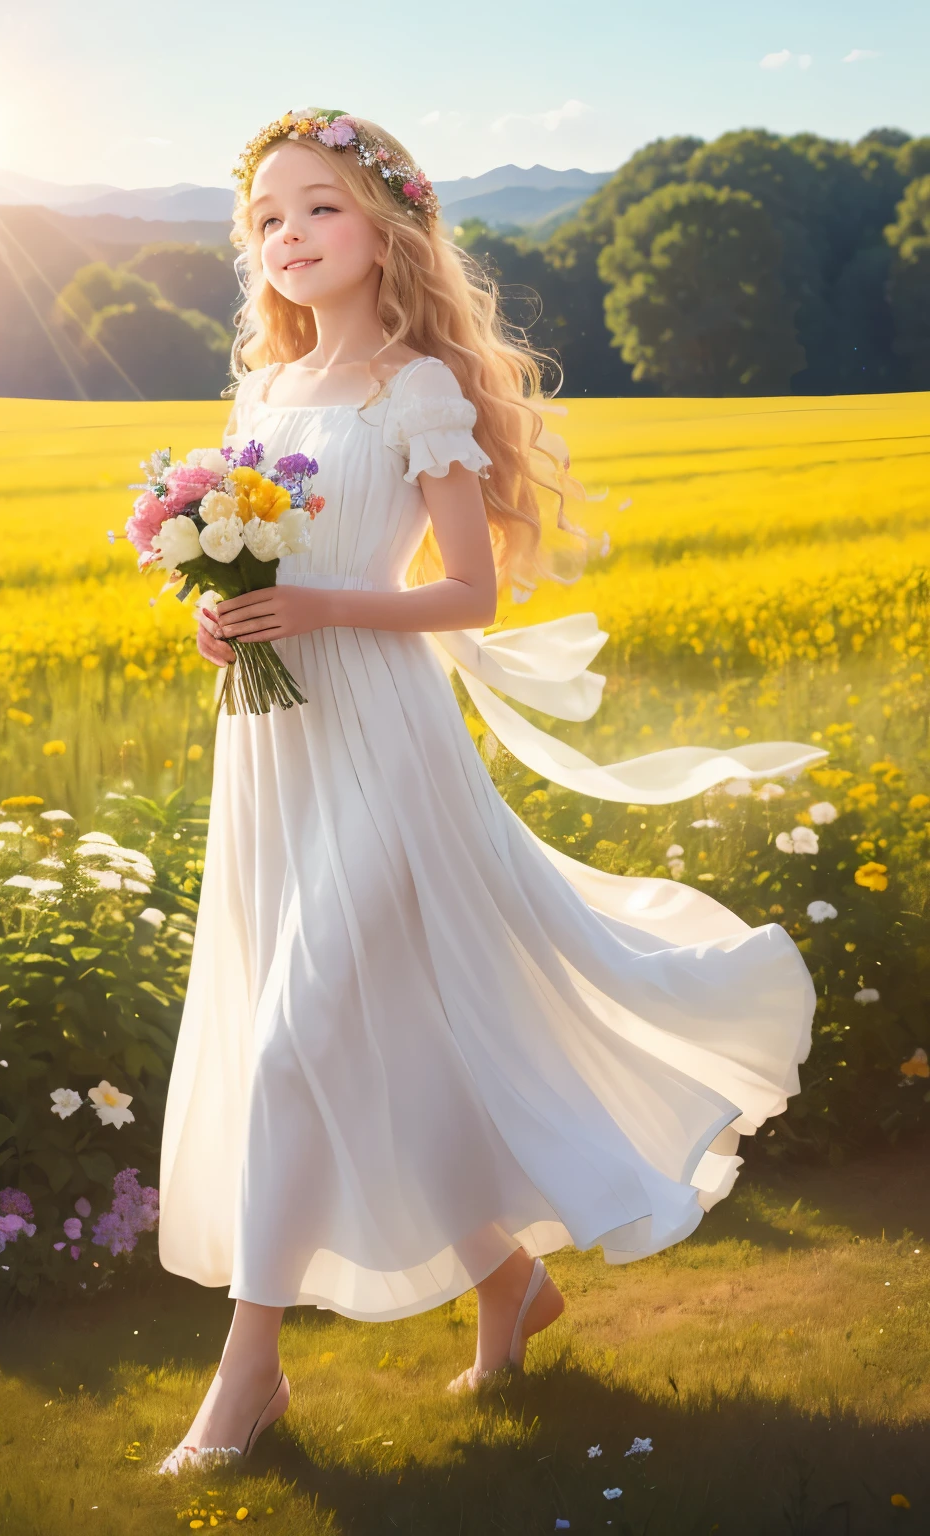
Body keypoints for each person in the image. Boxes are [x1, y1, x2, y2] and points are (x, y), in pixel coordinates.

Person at [155, 109, 827, 1475]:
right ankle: (509, 1284)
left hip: (385, 744)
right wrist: (220, 616)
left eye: (320, 208)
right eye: (268, 218)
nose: (289, 237)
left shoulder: (415, 390)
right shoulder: (264, 395)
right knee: (382, 1031)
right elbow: (249, 565)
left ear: (389, 226)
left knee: (293, 1041)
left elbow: (470, 591)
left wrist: (313, 602)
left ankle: (250, 1372)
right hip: (273, 746)